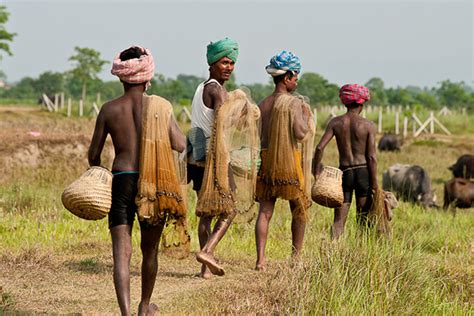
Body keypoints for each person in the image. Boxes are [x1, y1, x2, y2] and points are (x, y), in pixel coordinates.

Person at [88, 46, 186, 315]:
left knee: (121, 252)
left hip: (121, 180)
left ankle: (126, 313)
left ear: (121, 77)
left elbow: (93, 155)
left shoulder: (109, 110)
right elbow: (180, 144)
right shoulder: (160, 108)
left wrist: (98, 175)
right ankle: (145, 305)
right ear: (147, 76)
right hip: (154, 184)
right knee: (150, 250)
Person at [254, 51, 315, 271]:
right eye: (296, 76)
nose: (296, 81)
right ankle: (295, 258)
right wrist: (307, 118)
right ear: (287, 76)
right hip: (290, 161)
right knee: (299, 209)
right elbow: (300, 134)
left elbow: (258, 133)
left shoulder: (263, 104)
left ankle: (261, 260)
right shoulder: (293, 103)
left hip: (267, 161)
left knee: (265, 211)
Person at [187, 37, 241, 278]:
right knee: (230, 210)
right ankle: (208, 251)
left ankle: (204, 270)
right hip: (214, 158)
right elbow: (222, 123)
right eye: (224, 62)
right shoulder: (217, 90)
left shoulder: (202, 87)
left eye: (231, 63)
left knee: (207, 212)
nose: (229, 67)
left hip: (196, 155)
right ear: (212, 63)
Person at [312, 84, 377, 239]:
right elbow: (372, 157)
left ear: (345, 103)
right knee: (363, 218)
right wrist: (374, 184)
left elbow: (320, 148)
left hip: (345, 173)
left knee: (339, 220)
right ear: (361, 104)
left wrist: (316, 171)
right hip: (363, 173)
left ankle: (333, 250)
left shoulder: (335, 122)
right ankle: (361, 252)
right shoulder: (368, 125)